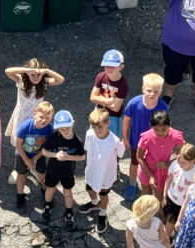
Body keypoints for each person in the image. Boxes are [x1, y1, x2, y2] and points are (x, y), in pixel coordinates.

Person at [4, 58, 64, 185]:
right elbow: (8, 71)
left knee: (36, 142)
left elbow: (60, 79)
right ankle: (18, 168)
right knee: (19, 143)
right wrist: (26, 70)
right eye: (33, 75)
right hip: (22, 118)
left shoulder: (44, 82)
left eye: (38, 75)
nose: (36, 77)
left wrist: (47, 71)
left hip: (38, 120)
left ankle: (34, 167)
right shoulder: (21, 81)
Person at [122, 73, 169, 201]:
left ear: (161, 91)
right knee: (134, 162)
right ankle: (132, 183)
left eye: (156, 91)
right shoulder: (134, 103)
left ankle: (151, 183)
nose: (152, 94)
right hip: (136, 142)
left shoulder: (163, 106)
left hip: (155, 144)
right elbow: (126, 120)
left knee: (152, 164)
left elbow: (166, 125)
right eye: (149, 90)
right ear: (143, 89)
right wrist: (125, 138)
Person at [79, 108, 124, 233]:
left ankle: (103, 213)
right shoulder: (90, 134)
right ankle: (95, 203)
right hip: (92, 170)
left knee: (103, 194)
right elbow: (88, 148)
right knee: (89, 188)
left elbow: (120, 153)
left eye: (100, 127)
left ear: (107, 123)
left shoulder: (114, 140)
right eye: (94, 127)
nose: (97, 130)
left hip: (106, 174)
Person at [40, 110, 85, 225]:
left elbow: (82, 157)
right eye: (61, 128)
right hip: (52, 170)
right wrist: (55, 155)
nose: (64, 130)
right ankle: (47, 206)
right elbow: (44, 151)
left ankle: (69, 212)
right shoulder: (53, 137)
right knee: (50, 189)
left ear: (72, 124)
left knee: (68, 192)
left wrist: (68, 157)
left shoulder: (77, 141)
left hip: (68, 172)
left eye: (67, 127)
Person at [12, 101, 55, 210]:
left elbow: (46, 146)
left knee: (42, 174)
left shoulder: (49, 129)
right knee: (22, 175)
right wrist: (26, 160)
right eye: (41, 116)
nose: (44, 120)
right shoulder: (25, 127)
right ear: (35, 114)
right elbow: (18, 145)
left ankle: (45, 190)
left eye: (47, 118)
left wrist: (35, 158)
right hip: (23, 154)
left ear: (51, 118)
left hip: (39, 154)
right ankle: (20, 194)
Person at [162, 143, 195, 248]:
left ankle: (178, 247)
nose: (179, 164)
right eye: (178, 160)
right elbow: (170, 179)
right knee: (169, 222)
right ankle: (168, 239)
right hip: (172, 198)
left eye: (183, 162)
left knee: (181, 227)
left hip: (184, 205)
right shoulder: (175, 164)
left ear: (192, 161)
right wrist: (164, 196)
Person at [134, 110, 185, 199]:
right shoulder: (146, 137)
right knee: (146, 194)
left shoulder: (175, 136)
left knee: (160, 196)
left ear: (169, 124)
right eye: (156, 129)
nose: (160, 133)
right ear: (151, 126)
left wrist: (169, 164)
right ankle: (148, 212)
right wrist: (150, 175)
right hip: (146, 169)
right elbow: (139, 157)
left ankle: (161, 212)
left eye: (163, 129)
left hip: (163, 170)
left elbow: (185, 151)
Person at [88, 48, 129, 138]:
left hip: (113, 117)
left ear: (121, 67)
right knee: (95, 137)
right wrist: (107, 101)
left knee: (112, 141)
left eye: (113, 66)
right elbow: (92, 98)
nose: (109, 69)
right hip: (98, 114)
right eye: (107, 66)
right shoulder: (101, 76)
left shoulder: (123, 84)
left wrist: (100, 99)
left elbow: (116, 108)